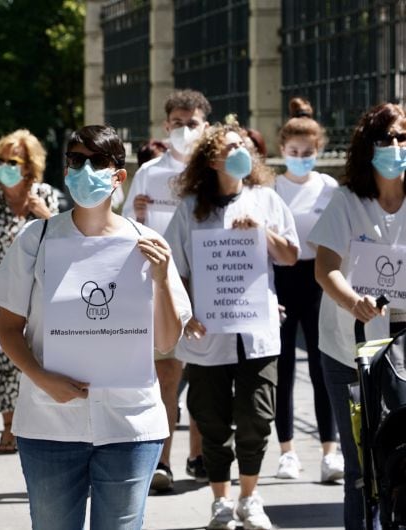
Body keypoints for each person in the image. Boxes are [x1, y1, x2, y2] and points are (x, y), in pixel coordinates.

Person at [0, 125, 188, 529]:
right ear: (65, 170)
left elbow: (166, 340)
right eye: (76, 161)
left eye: (98, 162)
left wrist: (164, 279)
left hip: (129, 427)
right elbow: (8, 328)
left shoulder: (148, 243)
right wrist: (42, 378)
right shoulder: (36, 237)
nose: (86, 170)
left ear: (119, 175)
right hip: (49, 425)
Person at [164, 124, 299, 530]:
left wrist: (262, 232)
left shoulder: (267, 200)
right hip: (209, 333)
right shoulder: (190, 208)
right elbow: (176, 270)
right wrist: (185, 315)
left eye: (243, 146)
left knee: (258, 415)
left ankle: (249, 496)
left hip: (256, 332)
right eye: (230, 147)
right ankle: (221, 500)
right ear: (212, 160)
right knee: (211, 418)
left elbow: (291, 255)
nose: (240, 151)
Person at [309, 102, 406, 530]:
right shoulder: (346, 200)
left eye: (403, 137)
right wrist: (354, 302)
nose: (396, 146)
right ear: (369, 148)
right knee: (361, 465)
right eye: (385, 139)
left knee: (403, 455)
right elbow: (325, 267)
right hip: (351, 345)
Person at [122, 89, 212, 491]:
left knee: (209, 378)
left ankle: (202, 455)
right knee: (167, 377)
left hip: (210, 285)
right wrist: (138, 215)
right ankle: (162, 461)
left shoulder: (215, 171)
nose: (185, 130)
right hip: (164, 290)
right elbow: (125, 229)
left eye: (192, 123)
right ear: (165, 126)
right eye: (178, 123)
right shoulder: (150, 173)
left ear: (205, 126)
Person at [0, 129, 61, 454]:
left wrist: (44, 215)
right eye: (1, 161)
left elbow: (63, 238)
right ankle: (10, 428)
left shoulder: (47, 196)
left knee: (32, 356)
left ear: (29, 165)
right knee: (5, 357)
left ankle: (32, 425)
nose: (5, 167)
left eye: (14, 161)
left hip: (38, 290)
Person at [270, 97, 343, 483]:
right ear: (283, 150)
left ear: (318, 151)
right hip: (282, 278)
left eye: (307, 152)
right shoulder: (273, 186)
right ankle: (287, 451)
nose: (300, 157)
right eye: (294, 152)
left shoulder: (328, 186)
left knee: (321, 365)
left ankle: (330, 451)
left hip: (317, 278)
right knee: (282, 367)